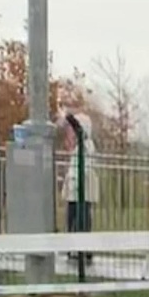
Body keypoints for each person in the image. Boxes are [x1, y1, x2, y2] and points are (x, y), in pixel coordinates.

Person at [56, 107, 100, 273]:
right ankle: (73, 250)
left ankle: (84, 251)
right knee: (73, 219)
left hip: (83, 190)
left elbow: (78, 129)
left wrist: (67, 116)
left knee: (82, 220)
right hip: (75, 191)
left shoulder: (87, 145)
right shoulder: (78, 147)